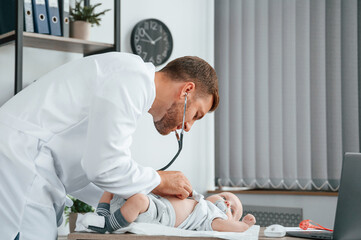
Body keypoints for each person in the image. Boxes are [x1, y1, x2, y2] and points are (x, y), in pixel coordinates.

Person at [0, 52, 219, 240]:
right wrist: (159, 180)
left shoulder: (129, 82)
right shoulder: (132, 80)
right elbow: (104, 167)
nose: (188, 127)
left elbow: (93, 167)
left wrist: (149, 201)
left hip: (29, 169)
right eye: (196, 114)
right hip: (20, 170)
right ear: (186, 90)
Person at [87, 191, 256, 233]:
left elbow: (223, 226)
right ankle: (102, 214)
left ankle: (108, 224)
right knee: (112, 186)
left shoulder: (211, 215)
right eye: (225, 196)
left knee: (139, 200)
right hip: (154, 201)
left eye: (231, 209)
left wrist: (243, 226)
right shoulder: (198, 199)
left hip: (157, 213)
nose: (226, 202)